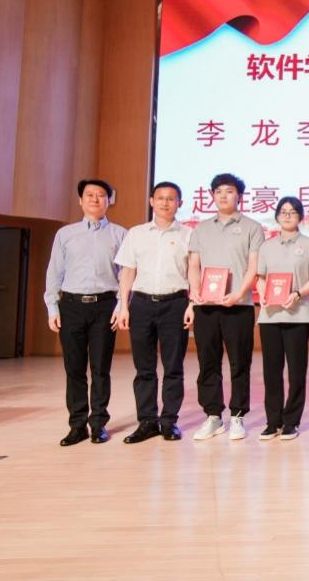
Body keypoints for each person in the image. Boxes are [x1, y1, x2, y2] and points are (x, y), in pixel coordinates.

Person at [45, 179, 127, 446]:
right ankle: (77, 425)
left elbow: (125, 275)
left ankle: (98, 423)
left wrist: (121, 305)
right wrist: (52, 307)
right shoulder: (65, 234)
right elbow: (55, 272)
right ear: (80, 201)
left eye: (101, 195)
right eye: (89, 195)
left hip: (105, 306)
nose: (95, 199)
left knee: (101, 368)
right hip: (71, 306)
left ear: (108, 201)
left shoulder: (120, 234)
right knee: (74, 369)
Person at [115, 181, 194, 443]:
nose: (165, 203)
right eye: (160, 198)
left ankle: (169, 422)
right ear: (151, 201)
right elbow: (128, 271)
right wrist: (123, 306)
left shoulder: (188, 235)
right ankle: (147, 422)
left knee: (173, 367)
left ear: (180, 203)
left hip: (175, 304)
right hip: (141, 304)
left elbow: (194, 272)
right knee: (144, 368)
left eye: (171, 198)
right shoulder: (136, 234)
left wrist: (192, 304)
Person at [187, 173, 264, 441]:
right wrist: (195, 290)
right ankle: (213, 416)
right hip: (206, 307)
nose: (223, 196)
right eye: (218, 191)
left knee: (239, 362)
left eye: (229, 191)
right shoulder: (201, 229)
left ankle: (238, 416)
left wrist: (239, 293)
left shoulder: (253, 227)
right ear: (212, 196)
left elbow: (253, 267)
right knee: (207, 361)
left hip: (238, 306)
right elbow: (193, 265)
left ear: (238, 196)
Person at [255, 196, 309, 441]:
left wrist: (297, 294)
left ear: (300, 217)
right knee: (271, 371)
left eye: (293, 212)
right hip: (270, 316)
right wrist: (263, 295)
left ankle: (291, 421)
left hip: (298, 315)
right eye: (283, 211)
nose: (287, 216)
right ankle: (273, 421)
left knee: (296, 371)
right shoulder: (266, 246)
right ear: (276, 216)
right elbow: (261, 278)